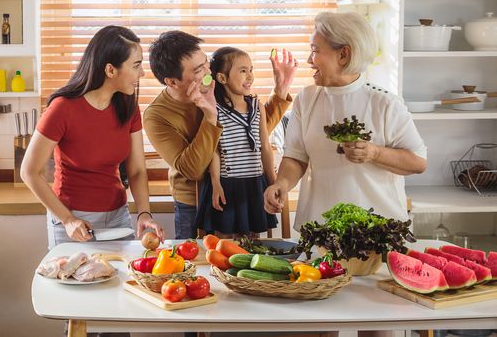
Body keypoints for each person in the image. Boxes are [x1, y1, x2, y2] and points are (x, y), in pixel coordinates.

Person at [264, 12, 427, 230]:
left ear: (344, 55)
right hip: (319, 227)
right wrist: (282, 183)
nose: (309, 60)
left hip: (376, 230)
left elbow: (418, 162)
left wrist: (374, 153)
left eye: (315, 51)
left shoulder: (385, 104)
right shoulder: (307, 99)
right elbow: (296, 156)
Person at [21, 25, 164, 248]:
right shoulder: (62, 109)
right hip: (73, 220)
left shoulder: (128, 108)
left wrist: (144, 213)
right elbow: (29, 172)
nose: (142, 73)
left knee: (120, 281)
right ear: (110, 70)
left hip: (118, 217)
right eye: (136, 65)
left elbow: (136, 170)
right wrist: (67, 219)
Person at [144, 30, 297, 239]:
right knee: (198, 263)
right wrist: (209, 116)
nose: (209, 72)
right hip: (195, 203)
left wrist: (281, 90)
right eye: (199, 70)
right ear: (172, 81)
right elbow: (194, 169)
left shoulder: (215, 89)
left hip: (238, 194)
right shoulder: (157, 116)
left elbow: (246, 137)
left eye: (206, 63)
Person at [194, 47, 278, 237]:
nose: (250, 76)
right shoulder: (214, 110)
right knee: (225, 239)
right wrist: (216, 183)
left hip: (255, 183)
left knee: (252, 240)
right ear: (222, 78)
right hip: (227, 183)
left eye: (251, 70)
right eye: (242, 71)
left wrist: (273, 183)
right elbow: (214, 151)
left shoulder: (258, 106)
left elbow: (265, 147)